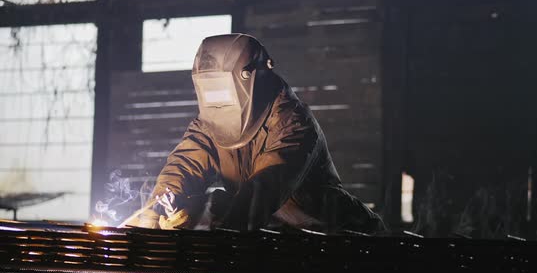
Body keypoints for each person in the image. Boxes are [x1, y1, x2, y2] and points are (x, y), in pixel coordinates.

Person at [146, 33, 384, 234]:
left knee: (218, 202)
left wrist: (201, 213)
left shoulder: (293, 123)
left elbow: (263, 192)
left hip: (343, 239)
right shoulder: (208, 125)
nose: (219, 103)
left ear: (255, 79)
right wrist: (154, 215)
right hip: (278, 242)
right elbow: (182, 167)